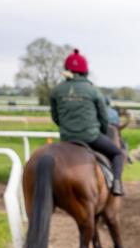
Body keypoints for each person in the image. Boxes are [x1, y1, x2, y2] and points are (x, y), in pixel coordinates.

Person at [50, 49, 124, 196]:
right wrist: (102, 132)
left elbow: (55, 117)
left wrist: (67, 129)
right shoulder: (93, 91)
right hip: (91, 137)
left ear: (67, 70)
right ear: (85, 72)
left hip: (66, 138)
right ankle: (116, 183)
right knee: (118, 154)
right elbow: (103, 118)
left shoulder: (56, 91)